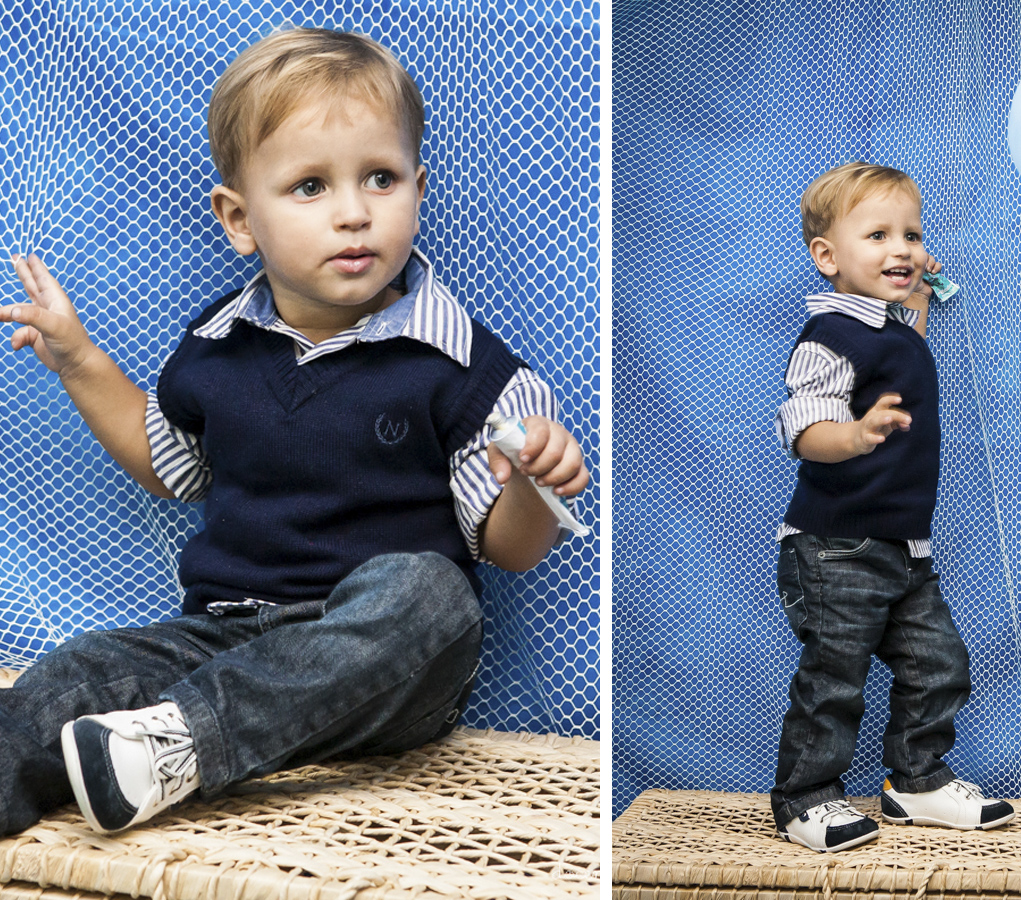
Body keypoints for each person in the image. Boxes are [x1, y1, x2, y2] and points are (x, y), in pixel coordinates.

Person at [0, 27, 588, 836]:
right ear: (240, 220)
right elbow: (166, 467)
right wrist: (78, 362)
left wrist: (530, 481)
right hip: (222, 635)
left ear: (420, 187)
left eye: (381, 178)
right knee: (76, 671)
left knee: (431, 592)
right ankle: (70, 764)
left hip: (388, 665)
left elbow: (510, 549)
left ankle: (181, 745)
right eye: (310, 186)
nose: (354, 213)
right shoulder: (217, 347)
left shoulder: (466, 369)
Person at [771, 161, 1012, 853]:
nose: (901, 248)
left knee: (940, 662)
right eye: (877, 235)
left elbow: (907, 351)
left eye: (911, 233)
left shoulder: (892, 333)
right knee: (836, 677)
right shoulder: (830, 336)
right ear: (827, 257)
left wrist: (921, 292)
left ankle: (916, 780)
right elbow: (802, 428)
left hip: (904, 548)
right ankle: (804, 800)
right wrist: (855, 433)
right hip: (835, 547)